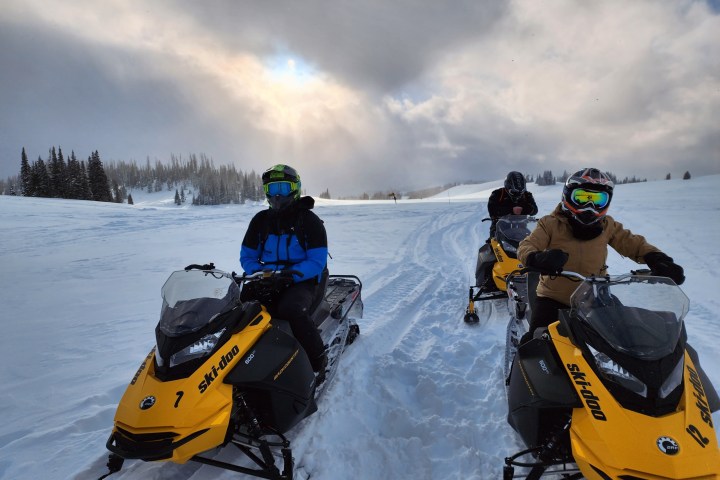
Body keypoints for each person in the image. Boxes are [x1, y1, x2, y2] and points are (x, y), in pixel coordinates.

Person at [517, 167, 685, 334]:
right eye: (582, 198)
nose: (590, 206)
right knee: (536, 346)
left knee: (629, 334)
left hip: (595, 296)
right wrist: (537, 258)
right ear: (567, 196)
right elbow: (527, 245)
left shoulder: (607, 225)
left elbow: (632, 243)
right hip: (553, 298)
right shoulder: (550, 223)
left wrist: (656, 258)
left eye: (598, 200)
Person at [240, 164, 329, 379]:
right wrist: (261, 272)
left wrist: (291, 274)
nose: (277, 195)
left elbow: (317, 261)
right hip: (268, 279)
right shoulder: (261, 221)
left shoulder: (308, 220)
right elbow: (248, 256)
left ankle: (318, 360)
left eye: (282, 187)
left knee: (291, 309)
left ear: (295, 188)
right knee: (239, 309)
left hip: (302, 281)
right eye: (272, 189)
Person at [487, 171, 539, 240]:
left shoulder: (527, 195)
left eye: (521, 192)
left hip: (522, 229)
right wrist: (511, 210)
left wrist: (523, 209)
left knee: (531, 245)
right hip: (499, 228)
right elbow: (492, 210)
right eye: (514, 192)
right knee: (493, 246)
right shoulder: (497, 194)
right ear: (507, 186)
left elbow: (534, 210)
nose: (518, 195)